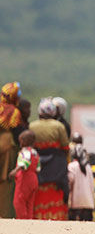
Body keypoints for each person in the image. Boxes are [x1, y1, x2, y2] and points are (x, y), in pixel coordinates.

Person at [29, 98, 69, 220]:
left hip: (38, 165)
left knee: (39, 190)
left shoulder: (32, 126)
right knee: (56, 190)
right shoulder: (59, 126)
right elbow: (65, 146)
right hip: (56, 166)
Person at [0, 81, 24, 218]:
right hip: (7, 148)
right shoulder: (13, 112)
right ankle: (5, 215)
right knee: (6, 183)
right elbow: (16, 131)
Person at [8, 129, 39, 219]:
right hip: (34, 178)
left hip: (25, 178)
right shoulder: (35, 152)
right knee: (30, 202)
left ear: (25, 141)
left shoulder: (25, 151)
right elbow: (38, 168)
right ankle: (29, 220)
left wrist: (15, 170)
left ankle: (22, 219)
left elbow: (25, 162)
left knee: (19, 200)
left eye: (21, 140)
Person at [67, 133, 95, 221]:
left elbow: (69, 182)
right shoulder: (88, 167)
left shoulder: (72, 166)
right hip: (88, 203)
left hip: (76, 204)